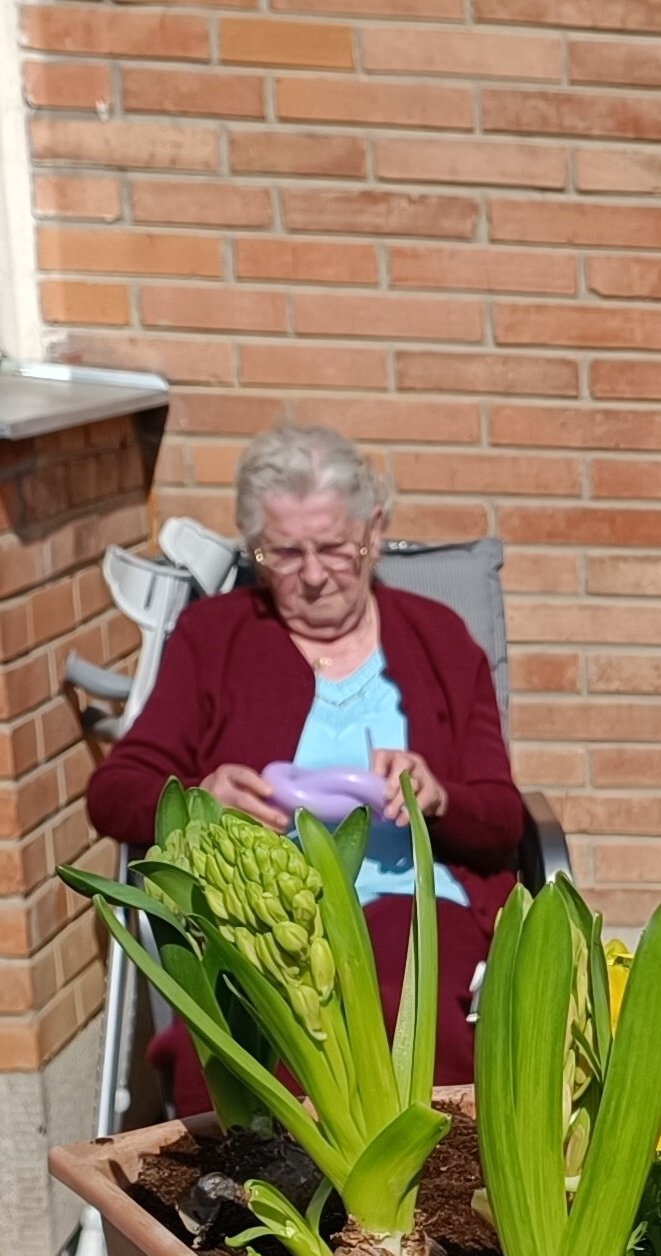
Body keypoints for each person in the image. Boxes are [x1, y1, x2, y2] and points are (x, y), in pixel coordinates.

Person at [86, 424, 523, 1102]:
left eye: (334, 548)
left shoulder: (438, 638)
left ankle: (418, 1199)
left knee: (390, 995)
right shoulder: (216, 636)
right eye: (284, 554)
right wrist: (203, 796)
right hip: (258, 904)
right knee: (258, 1011)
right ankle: (258, 1201)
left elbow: (502, 817)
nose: (313, 576)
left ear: (373, 533)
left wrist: (436, 797)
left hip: (413, 901)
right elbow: (114, 792)